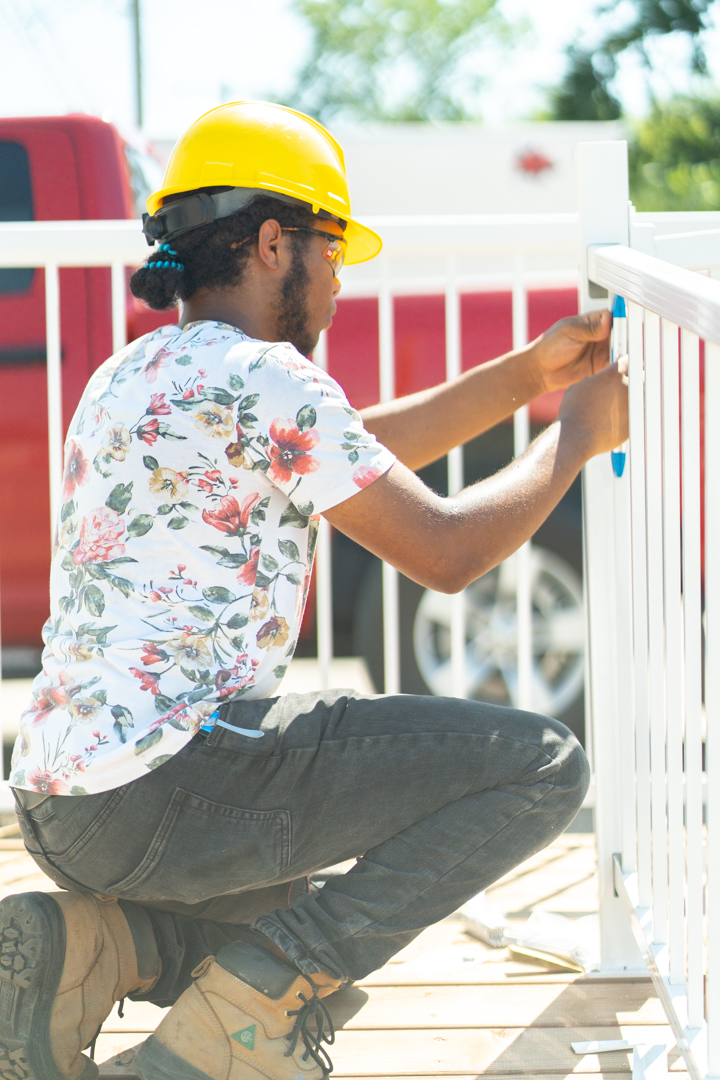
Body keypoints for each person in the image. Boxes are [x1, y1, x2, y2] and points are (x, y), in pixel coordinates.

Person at [2, 101, 627, 1080]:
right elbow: (449, 553)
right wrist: (575, 437)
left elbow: (350, 450)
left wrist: (524, 378)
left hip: (62, 800)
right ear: (269, 241)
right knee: (542, 766)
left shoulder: (139, 372)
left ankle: (90, 947)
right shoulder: (270, 378)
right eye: (333, 250)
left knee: (287, 904)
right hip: (167, 784)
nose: (340, 279)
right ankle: (237, 1030)